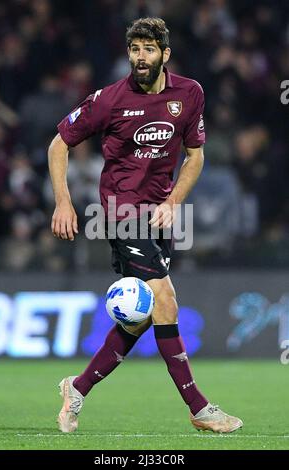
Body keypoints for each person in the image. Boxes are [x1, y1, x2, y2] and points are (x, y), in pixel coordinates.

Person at [48, 17, 243, 434]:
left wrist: (174, 200)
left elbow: (195, 156)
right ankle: (199, 407)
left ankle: (77, 388)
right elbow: (59, 143)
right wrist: (63, 202)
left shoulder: (189, 94)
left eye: (149, 49)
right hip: (119, 213)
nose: (140, 57)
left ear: (164, 54)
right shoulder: (109, 99)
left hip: (159, 215)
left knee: (139, 319)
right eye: (135, 49)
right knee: (165, 300)